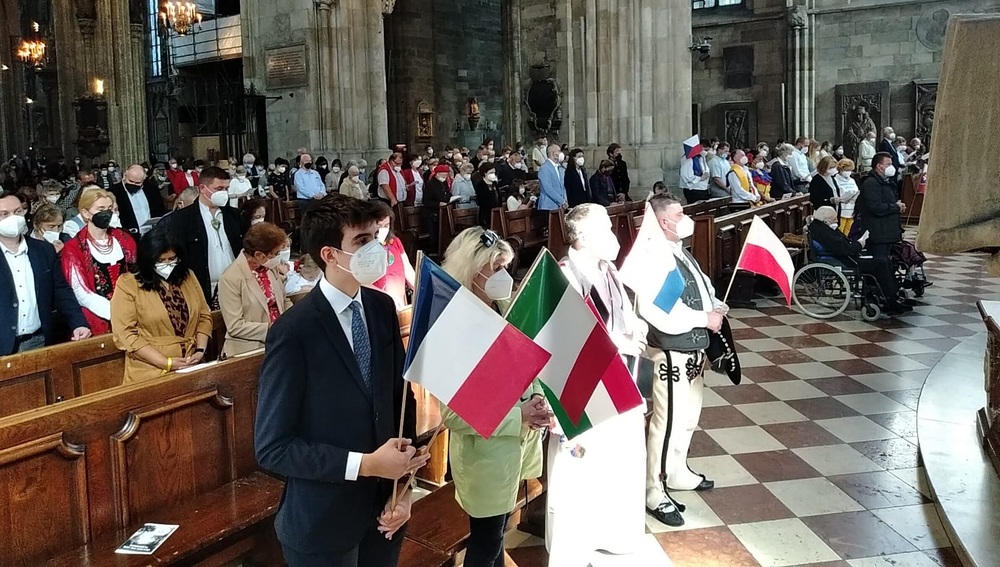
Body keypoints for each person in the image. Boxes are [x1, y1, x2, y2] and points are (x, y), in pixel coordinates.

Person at [255, 195, 428, 567]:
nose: (376, 249)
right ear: (330, 255)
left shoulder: (381, 308)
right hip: (323, 521)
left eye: (376, 237)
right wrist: (366, 464)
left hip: (385, 512)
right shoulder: (294, 331)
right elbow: (273, 448)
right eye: (362, 241)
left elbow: (401, 401)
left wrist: (405, 484)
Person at [440, 226, 552, 567]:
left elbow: (528, 364)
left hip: (514, 449)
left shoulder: (505, 308)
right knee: (486, 544)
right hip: (484, 458)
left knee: (499, 534)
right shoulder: (452, 327)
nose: (505, 276)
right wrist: (519, 416)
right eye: (497, 268)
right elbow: (453, 414)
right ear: (472, 271)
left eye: (507, 266)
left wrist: (538, 400)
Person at [546, 204, 647, 565]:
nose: (615, 236)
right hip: (583, 388)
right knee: (580, 474)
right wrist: (619, 343)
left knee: (614, 465)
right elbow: (565, 337)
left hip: (618, 380)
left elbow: (621, 314)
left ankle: (608, 532)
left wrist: (634, 327)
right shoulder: (564, 276)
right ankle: (572, 549)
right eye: (606, 229)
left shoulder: (607, 269)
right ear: (584, 237)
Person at [638, 194, 724, 528]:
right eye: (680, 213)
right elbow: (659, 310)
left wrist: (715, 306)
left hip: (693, 349)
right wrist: (704, 318)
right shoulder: (653, 257)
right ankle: (653, 490)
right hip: (671, 350)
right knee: (668, 421)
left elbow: (701, 287)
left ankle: (676, 471)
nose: (685, 217)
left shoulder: (677, 251)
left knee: (688, 418)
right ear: (663, 221)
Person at [110, 228, 213, 382]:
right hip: (151, 371)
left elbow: (204, 315)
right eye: (160, 261)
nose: (167, 265)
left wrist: (200, 350)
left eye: (172, 259)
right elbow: (126, 334)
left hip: (191, 364)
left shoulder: (188, 276)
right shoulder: (128, 284)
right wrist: (166, 363)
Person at [0, 192, 91, 355]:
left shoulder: (43, 250)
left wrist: (78, 323)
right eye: (4, 214)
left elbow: (61, 291)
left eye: (18, 211)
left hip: (39, 341)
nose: (13, 218)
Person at [61, 187, 138, 335]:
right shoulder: (73, 248)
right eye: (100, 208)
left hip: (134, 311)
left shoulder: (125, 239)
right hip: (98, 316)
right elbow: (80, 291)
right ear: (85, 213)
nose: (107, 213)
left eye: (110, 208)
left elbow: (137, 274)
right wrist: (115, 313)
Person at [163, 166, 242, 305]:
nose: (224, 193)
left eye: (226, 189)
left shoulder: (234, 215)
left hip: (235, 284)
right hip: (202, 287)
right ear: (202, 189)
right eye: (219, 189)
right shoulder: (183, 219)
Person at [809, 206, 908, 314]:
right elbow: (843, 249)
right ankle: (890, 299)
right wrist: (859, 244)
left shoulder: (822, 228)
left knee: (885, 260)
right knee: (881, 263)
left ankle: (890, 296)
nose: (837, 222)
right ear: (826, 220)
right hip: (844, 261)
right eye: (834, 219)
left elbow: (841, 245)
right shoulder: (824, 232)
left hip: (846, 257)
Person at [218, 222, 292, 357]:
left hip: (281, 341)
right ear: (259, 255)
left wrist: (292, 319)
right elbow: (235, 326)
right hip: (248, 349)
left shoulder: (270, 267)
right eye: (275, 253)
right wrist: (271, 329)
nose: (278, 257)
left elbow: (284, 300)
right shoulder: (230, 278)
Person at [856, 152, 905, 260]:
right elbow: (875, 207)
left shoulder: (885, 182)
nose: (891, 167)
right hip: (878, 233)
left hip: (887, 233)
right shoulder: (871, 183)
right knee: (879, 262)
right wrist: (895, 207)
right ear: (879, 166)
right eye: (888, 164)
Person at [369, 203, 415, 309]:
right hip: (379, 304)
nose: (383, 230)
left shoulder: (395, 241)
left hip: (400, 302)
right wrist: (387, 298)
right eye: (379, 226)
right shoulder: (365, 249)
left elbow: (407, 269)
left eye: (386, 226)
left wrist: (420, 289)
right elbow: (363, 283)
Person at [111, 165, 168, 242]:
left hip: (152, 236)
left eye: (138, 183)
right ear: (125, 175)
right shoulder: (113, 192)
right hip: (128, 238)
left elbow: (160, 210)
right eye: (130, 181)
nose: (133, 184)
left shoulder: (151, 189)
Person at [833, 159, 860, 235]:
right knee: (841, 230)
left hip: (852, 207)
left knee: (849, 230)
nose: (849, 172)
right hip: (842, 208)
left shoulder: (852, 180)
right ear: (841, 169)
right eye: (847, 170)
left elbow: (856, 190)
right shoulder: (835, 179)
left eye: (850, 170)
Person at [537, 144, 567, 211]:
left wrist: (565, 200)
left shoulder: (559, 168)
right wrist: (562, 201)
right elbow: (548, 189)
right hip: (547, 207)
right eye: (559, 151)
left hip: (558, 207)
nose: (561, 153)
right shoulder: (544, 168)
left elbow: (562, 186)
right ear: (553, 153)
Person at [472, 163, 501, 228]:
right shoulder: (480, 185)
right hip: (486, 213)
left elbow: (498, 197)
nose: (493, 174)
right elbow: (482, 200)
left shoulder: (495, 184)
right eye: (491, 172)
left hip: (497, 212)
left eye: (494, 172)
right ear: (485, 173)